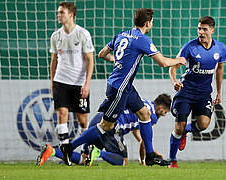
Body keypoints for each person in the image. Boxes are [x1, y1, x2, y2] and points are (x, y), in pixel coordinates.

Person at [59, 8, 186, 167]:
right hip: (119, 88)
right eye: (152, 21)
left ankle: (151, 155)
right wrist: (179, 60)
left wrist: (117, 61)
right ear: (147, 23)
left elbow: (102, 54)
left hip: (126, 87)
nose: (152, 23)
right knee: (105, 126)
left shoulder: (121, 35)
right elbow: (164, 63)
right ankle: (69, 147)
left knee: (145, 113)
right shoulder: (143, 39)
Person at [36, 94, 172, 166]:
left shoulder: (143, 102)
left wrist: (151, 150)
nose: (165, 114)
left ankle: (52, 151)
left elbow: (139, 132)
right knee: (122, 161)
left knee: (84, 159)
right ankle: (98, 153)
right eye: (165, 111)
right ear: (161, 107)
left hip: (99, 118)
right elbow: (144, 143)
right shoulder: (153, 116)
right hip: (113, 127)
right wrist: (143, 160)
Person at [168, 16, 226, 168]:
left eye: (205, 29)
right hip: (186, 90)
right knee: (178, 127)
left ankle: (187, 130)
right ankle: (172, 160)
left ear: (212, 30)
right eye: (199, 28)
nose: (201, 32)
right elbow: (173, 66)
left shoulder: (220, 48)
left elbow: (219, 69)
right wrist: (175, 81)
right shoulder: (190, 47)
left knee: (204, 124)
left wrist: (219, 92)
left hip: (204, 93)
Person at [49, 2, 94, 166]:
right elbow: (54, 61)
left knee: (82, 120)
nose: (58, 15)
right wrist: (52, 83)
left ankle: (85, 151)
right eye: (58, 13)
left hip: (79, 83)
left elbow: (90, 60)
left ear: (71, 15)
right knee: (62, 113)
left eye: (61, 13)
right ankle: (66, 151)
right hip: (61, 81)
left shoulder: (83, 34)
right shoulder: (56, 36)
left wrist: (87, 83)